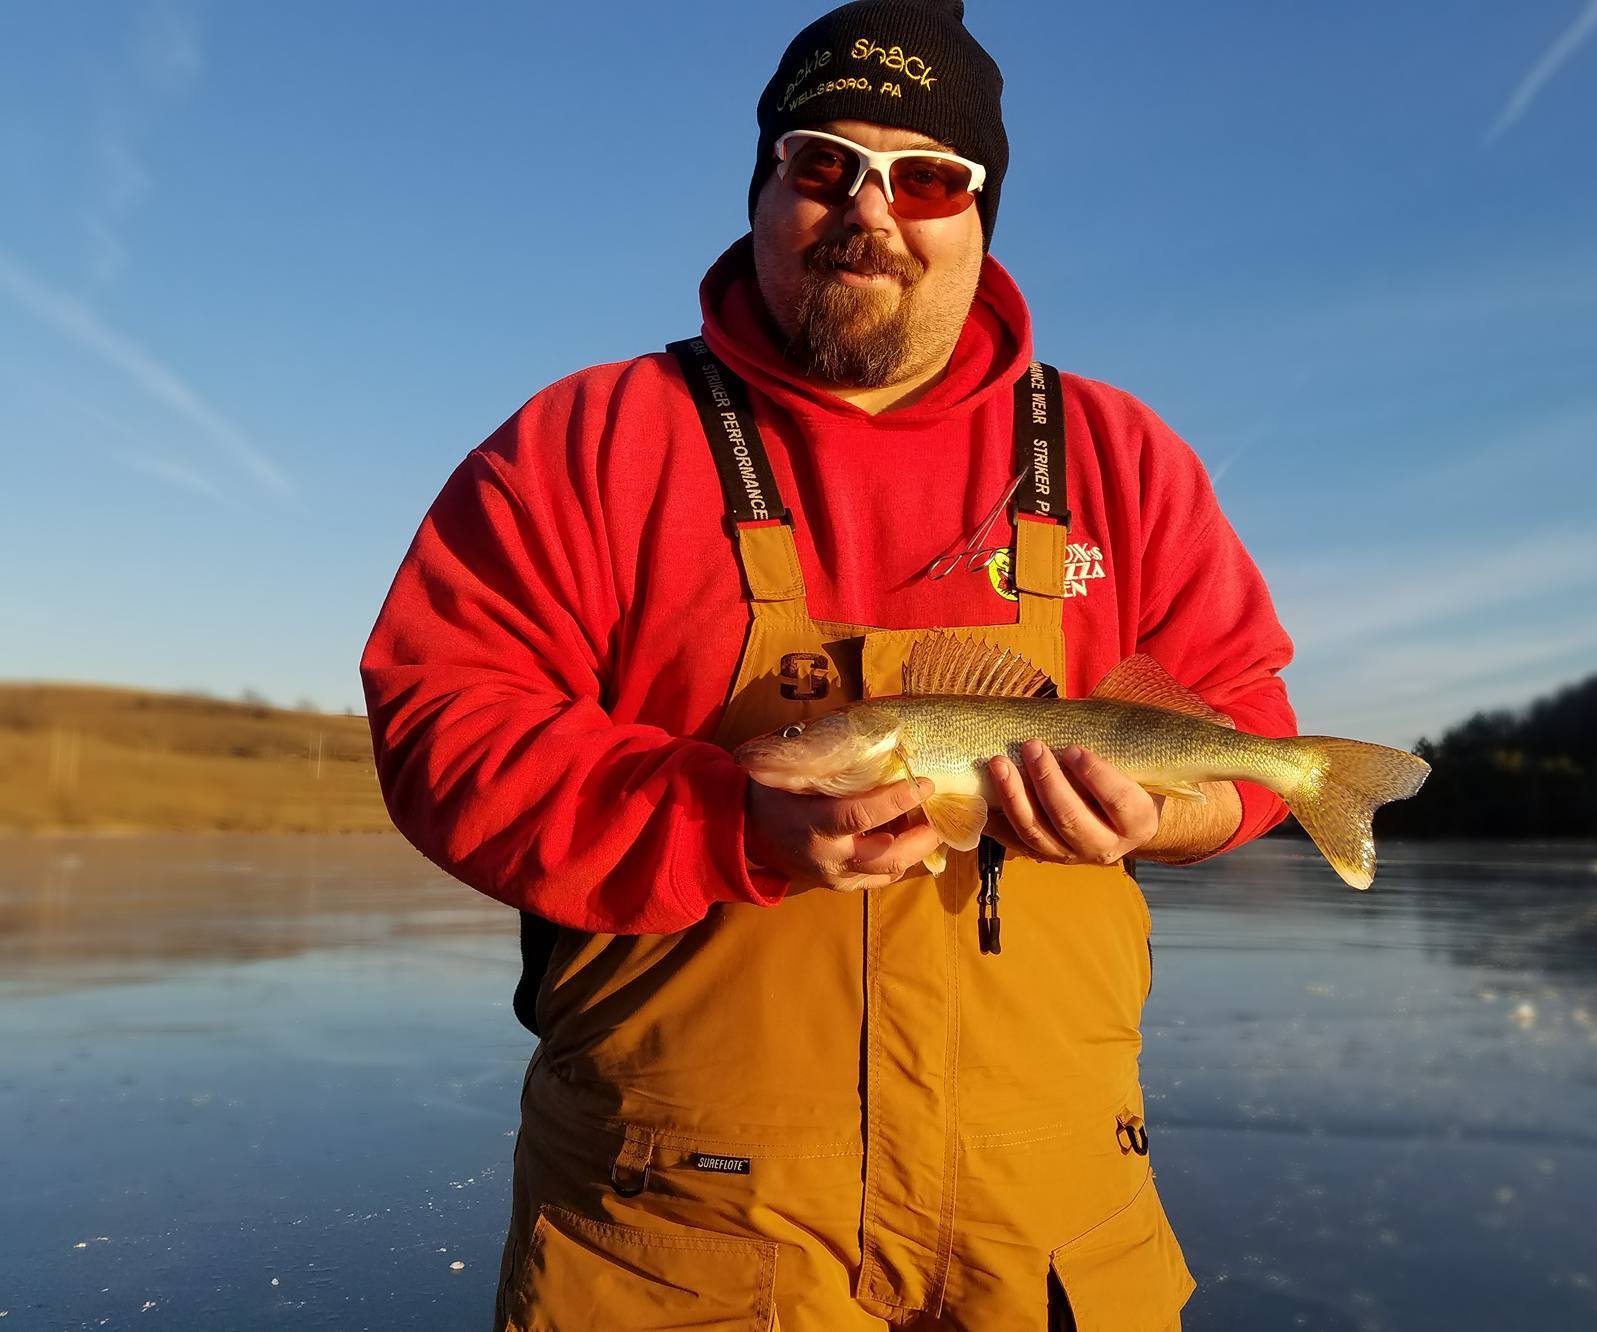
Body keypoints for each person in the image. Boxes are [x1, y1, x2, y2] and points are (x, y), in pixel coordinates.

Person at [361, 1, 1296, 1326]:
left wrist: (1171, 809)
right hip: (672, 1235)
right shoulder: (592, 438)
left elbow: (1251, 728)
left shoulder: (1121, 455)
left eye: (926, 176)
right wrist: (722, 814)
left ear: (981, 217)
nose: (872, 208)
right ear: (759, 194)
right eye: (821, 165)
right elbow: (442, 718)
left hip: (1049, 1241)